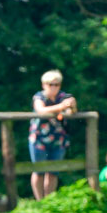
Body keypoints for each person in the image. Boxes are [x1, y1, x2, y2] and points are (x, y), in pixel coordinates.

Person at [28, 69, 77, 200]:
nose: (54, 87)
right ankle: (39, 202)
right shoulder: (39, 96)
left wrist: (71, 105)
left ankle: (49, 201)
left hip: (58, 139)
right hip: (39, 139)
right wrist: (62, 106)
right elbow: (41, 110)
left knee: (53, 172)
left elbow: (71, 111)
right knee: (39, 171)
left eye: (57, 84)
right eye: (51, 84)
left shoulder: (64, 97)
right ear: (44, 84)